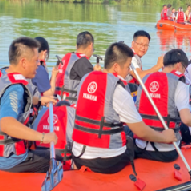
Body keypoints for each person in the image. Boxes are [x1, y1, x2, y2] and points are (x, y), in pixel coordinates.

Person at [72, 42, 175, 174]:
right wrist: (164, 137)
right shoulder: (118, 89)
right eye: (127, 67)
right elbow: (141, 132)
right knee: (133, 141)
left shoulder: (86, 79)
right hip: (104, 161)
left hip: (78, 154)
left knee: (125, 130)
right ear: (116, 67)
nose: (128, 72)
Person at [0, 37, 57, 172]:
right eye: (35, 61)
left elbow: (3, 101)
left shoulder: (0, 75)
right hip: (5, 159)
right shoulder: (15, 88)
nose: (38, 64)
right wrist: (43, 137)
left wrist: (40, 100)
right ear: (23, 62)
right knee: (56, 158)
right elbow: (7, 124)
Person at [134, 49, 191, 162]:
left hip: (140, 147)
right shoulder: (179, 83)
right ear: (179, 65)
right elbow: (186, 119)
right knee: (184, 128)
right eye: (185, 70)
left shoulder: (145, 79)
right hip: (166, 152)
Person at [54, 31, 100, 102]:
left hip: (57, 102)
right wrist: (97, 74)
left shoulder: (67, 57)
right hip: (71, 107)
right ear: (90, 45)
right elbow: (95, 86)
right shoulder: (83, 62)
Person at [125, 30, 163, 101]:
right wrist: (158, 66)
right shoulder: (131, 57)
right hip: (125, 94)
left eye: (146, 45)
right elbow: (140, 76)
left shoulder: (135, 57)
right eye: (140, 44)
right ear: (133, 44)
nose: (143, 48)